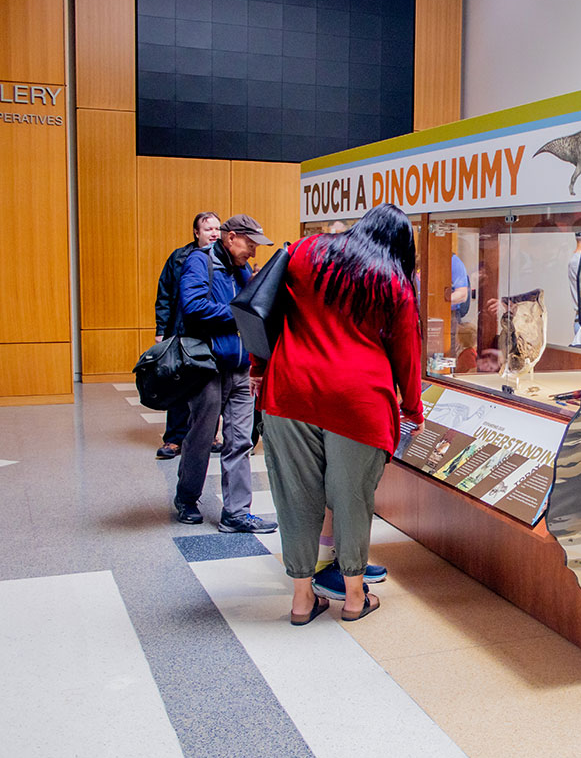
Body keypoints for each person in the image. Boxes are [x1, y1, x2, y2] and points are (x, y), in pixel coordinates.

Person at [252, 203, 424, 625]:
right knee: (352, 499)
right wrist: (412, 409)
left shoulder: (307, 251)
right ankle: (352, 597)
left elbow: (264, 309)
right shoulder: (393, 282)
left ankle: (300, 600)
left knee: (294, 497)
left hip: (291, 391)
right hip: (359, 402)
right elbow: (407, 355)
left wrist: (259, 370)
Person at [173, 215, 278, 534]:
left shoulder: (243, 269)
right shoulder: (198, 262)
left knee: (240, 441)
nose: (253, 252)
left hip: (240, 367)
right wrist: (238, 312)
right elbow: (193, 307)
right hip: (207, 367)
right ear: (231, 238)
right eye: (250, 244)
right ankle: (187, 498)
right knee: (201, 436)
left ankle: (236, 511)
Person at [153, 212, 221, 459]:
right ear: (196, 232)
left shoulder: (224, 259)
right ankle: (174, 438)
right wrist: (161, 330)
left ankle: (210, 435)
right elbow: (164, 295)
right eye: (208, 229)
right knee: (178, 384)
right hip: (181, 331)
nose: (214, 233)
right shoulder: (179, 258)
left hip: (211, 333)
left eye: (217, 229)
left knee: (211, 386)